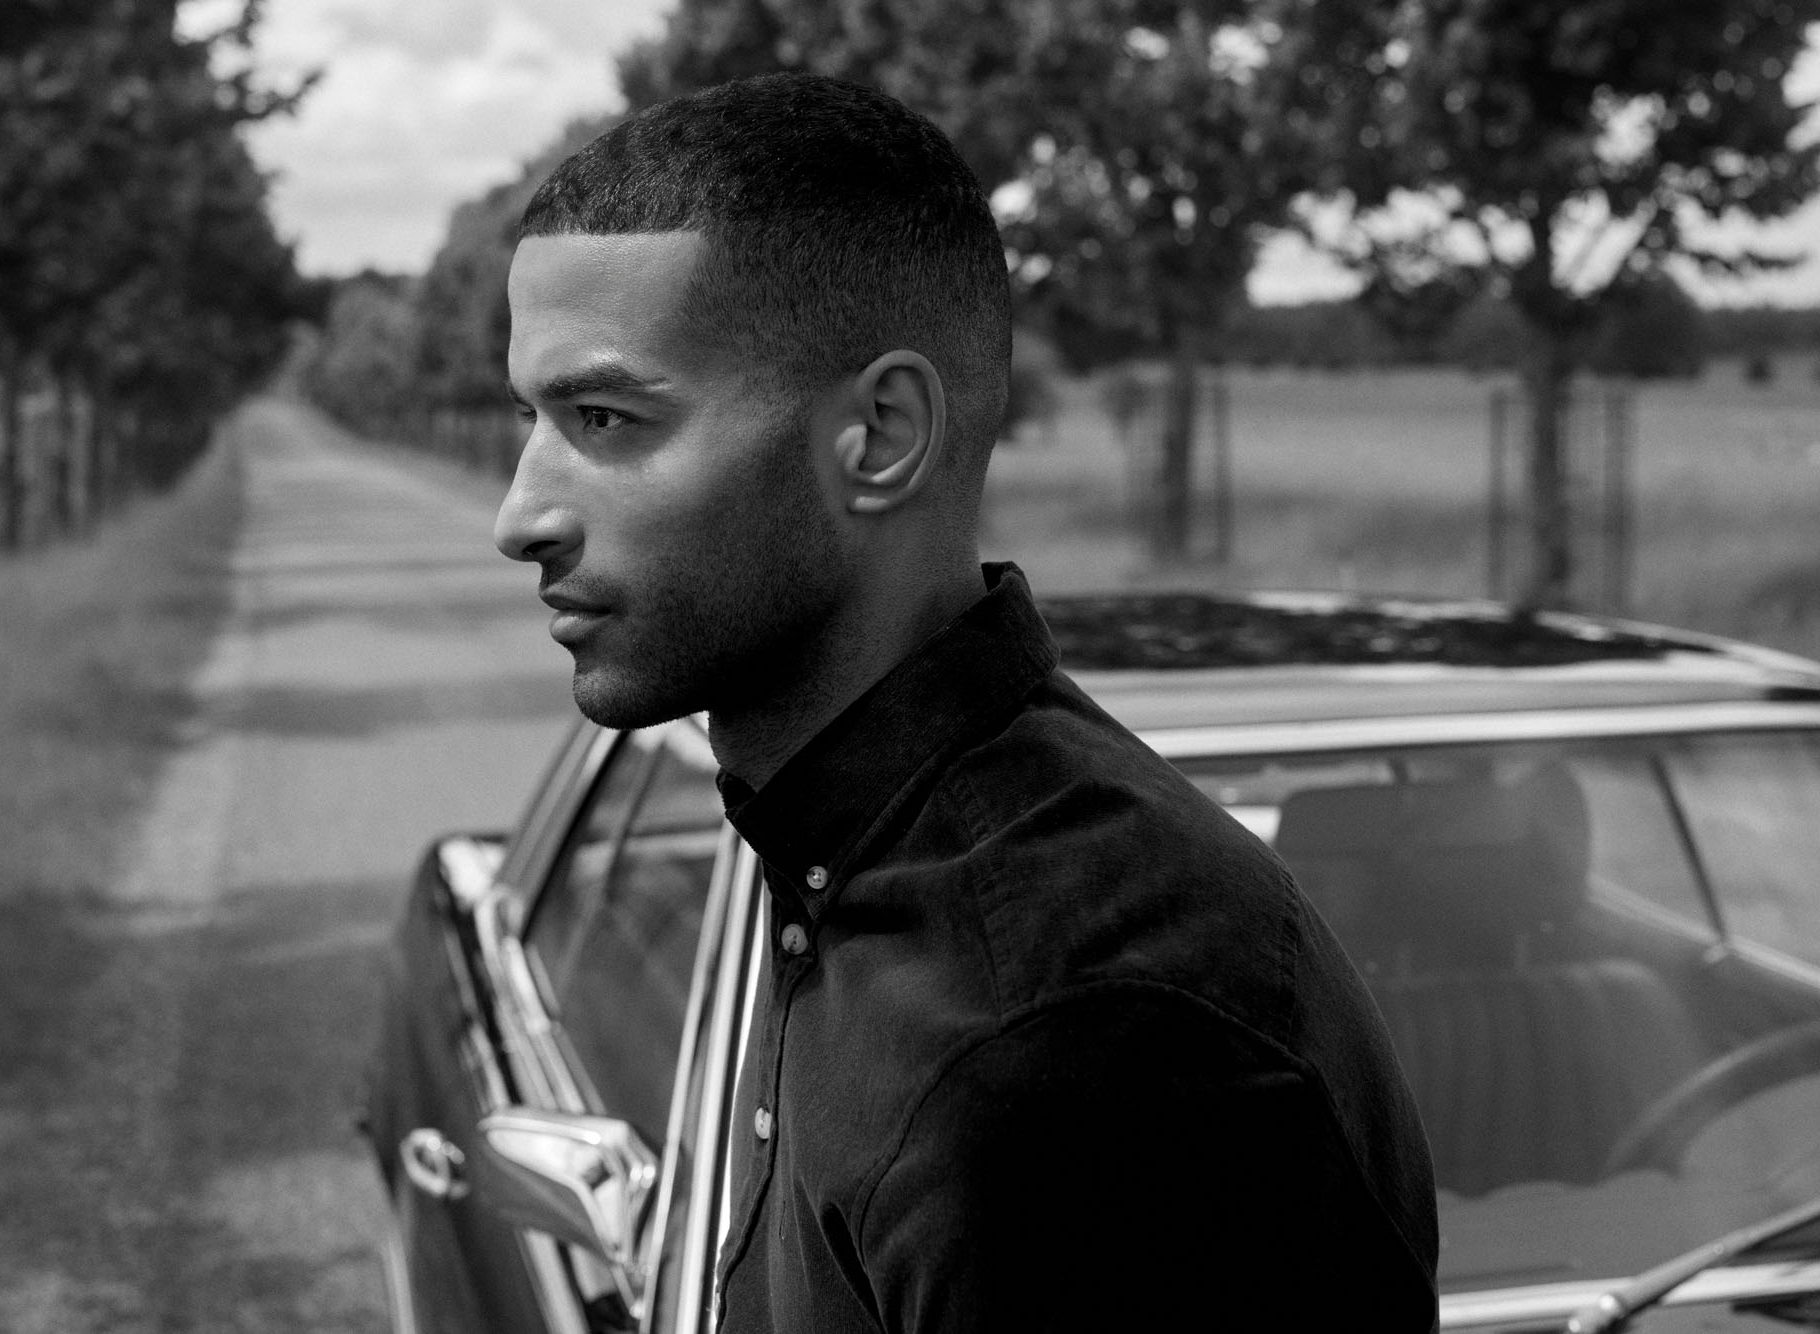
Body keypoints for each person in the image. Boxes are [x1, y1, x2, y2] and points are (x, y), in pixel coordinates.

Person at [496, 72, 1438, 1333]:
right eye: (532, 418)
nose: (521, 515)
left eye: (604, 417)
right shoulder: (847, 852)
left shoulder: (1065, 1053)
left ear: (879, 435)